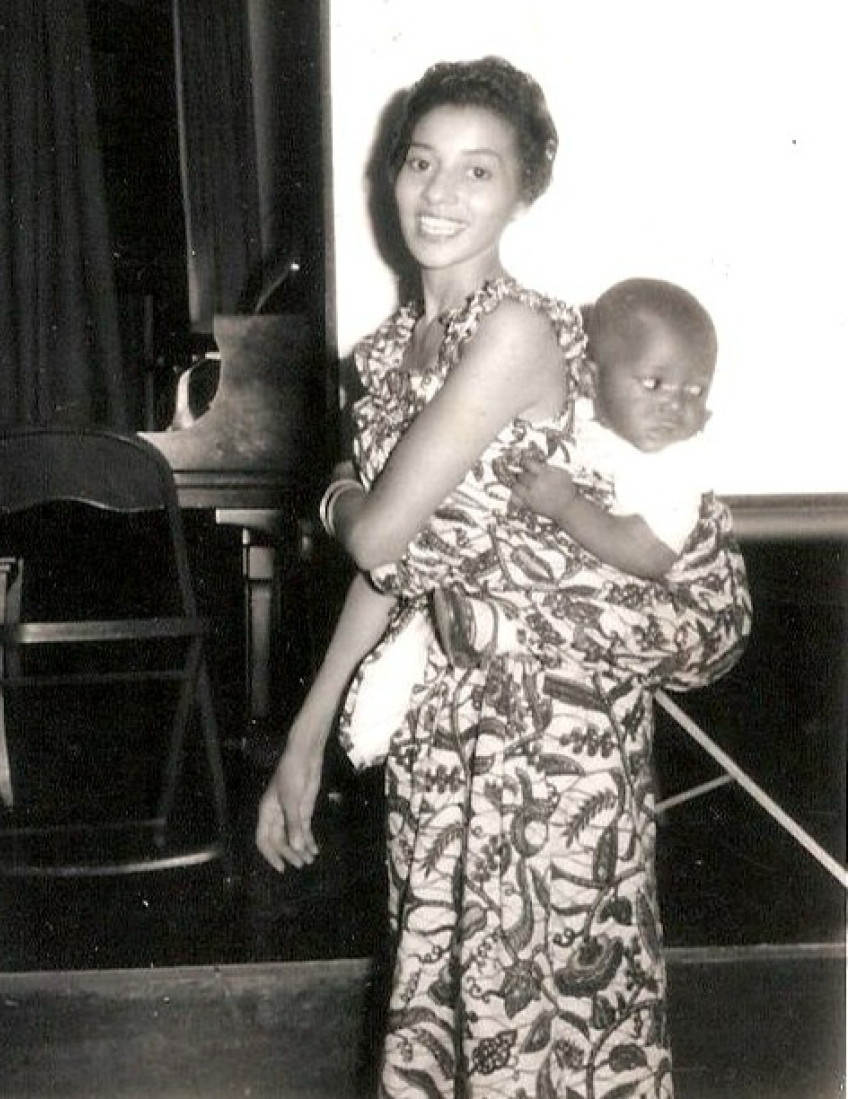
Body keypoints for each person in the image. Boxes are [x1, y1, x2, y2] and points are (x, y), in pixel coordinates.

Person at [257, 56, 752, 1098]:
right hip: (444, 728)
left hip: (554, 735)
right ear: (390, 176)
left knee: (548, 1025)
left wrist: (335, 496)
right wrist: (305, 736)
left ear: (523, 191)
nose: (439, 194)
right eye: (421, 163)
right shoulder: (384, 353)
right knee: (445, 1013)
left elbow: (377, 534)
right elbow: (402, 573)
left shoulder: (519, 331)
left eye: (478, 172)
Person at [513, 276, 720, 580]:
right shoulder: (580, 411)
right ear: (589, 379)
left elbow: (650, 556)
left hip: (657, 600)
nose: (675, 405)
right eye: (654, 384)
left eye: (695, 391)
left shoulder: (676, 462)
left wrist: (565, 506)